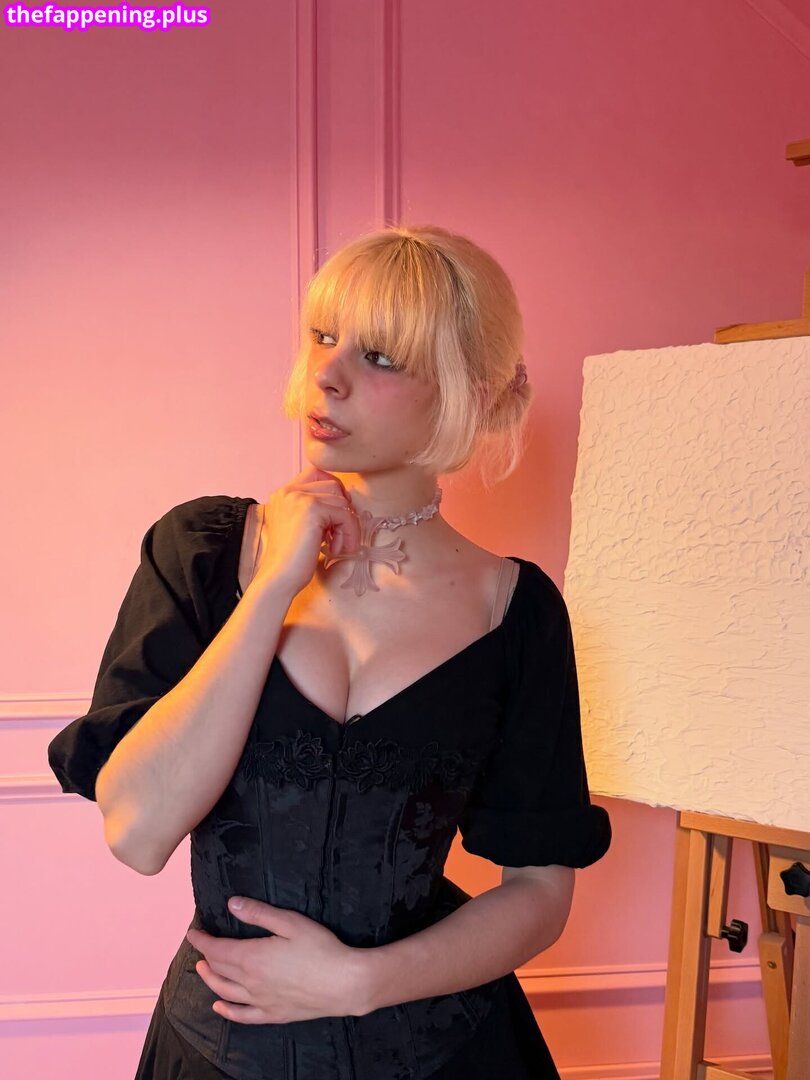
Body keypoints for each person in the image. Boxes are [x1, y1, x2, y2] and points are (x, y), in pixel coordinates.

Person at [48, 223, 612, 1079]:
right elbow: (138, 831)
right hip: (217, 1053)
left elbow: (539, 891)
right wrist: (273, 586)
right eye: (322, 336)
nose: (327, 375)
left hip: (448, 1053)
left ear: (461, 394)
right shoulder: (203, 554)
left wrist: (359, 982)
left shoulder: (514, 611)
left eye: (379, 357)